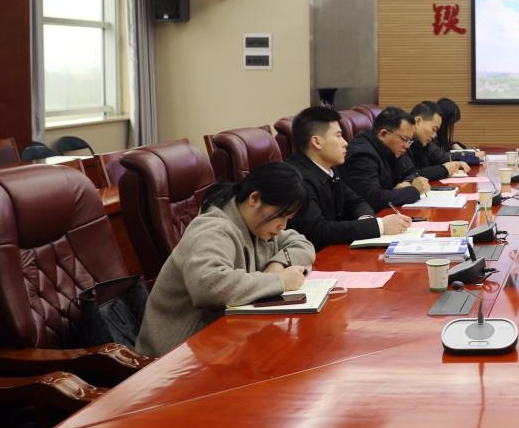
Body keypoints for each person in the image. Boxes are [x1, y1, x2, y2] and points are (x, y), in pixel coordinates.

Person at [135, 162, 315, 357]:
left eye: (289, 218)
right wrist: (279, 281)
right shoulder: (213, 229)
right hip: (176, 355)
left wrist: (277, 265)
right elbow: (208, 286)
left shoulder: (257, 225)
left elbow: (302, 244)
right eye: (282, 215)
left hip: (222, 343)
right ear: (254, 199)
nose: (283, 226)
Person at [286, 106, 411, 250]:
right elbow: (317, 231)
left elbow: (357, 202)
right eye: (338, 136)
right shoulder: (296, 178)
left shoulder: (330, 169)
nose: (345, 143)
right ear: (317, 142)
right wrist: (379, 226)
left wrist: (366, 220)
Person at [340, 106, 427, 211]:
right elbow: (374, 198)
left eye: (409, 141)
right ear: (383, 134)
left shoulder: (393, 147)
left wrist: (407, 182)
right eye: (404, 139)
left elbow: (412, 171)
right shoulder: (362, 154)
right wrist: (414, 190)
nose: (407, 146)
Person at [402, 100, 470, 181]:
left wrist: (455, 163)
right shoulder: (401, 141)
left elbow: (437, 158)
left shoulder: (421, 142)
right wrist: (444, 169)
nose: (434, 135)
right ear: (418, 121)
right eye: (433, 129)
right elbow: (411, 175)